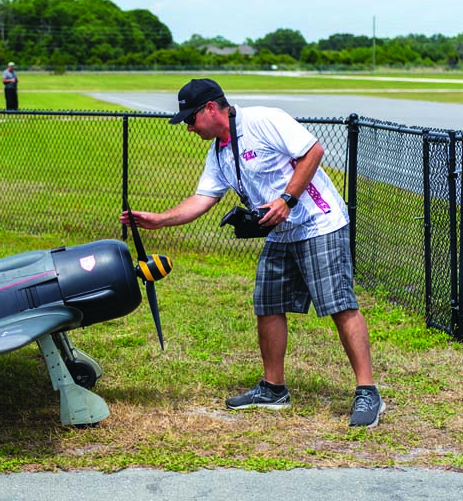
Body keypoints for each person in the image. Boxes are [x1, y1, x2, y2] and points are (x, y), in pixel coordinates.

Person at [121, 78, 384, 428]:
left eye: (189, 118)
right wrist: (159, 220)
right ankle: (273, 389)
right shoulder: (218, 150)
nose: (187, 126)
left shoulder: (263, 121)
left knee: (339, 304)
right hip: (279, 231)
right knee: (268, 304)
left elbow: (313, 151)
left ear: (211, 109)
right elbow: (203, 198)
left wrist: (287, 199)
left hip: (319, 222)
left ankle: (368, 392)